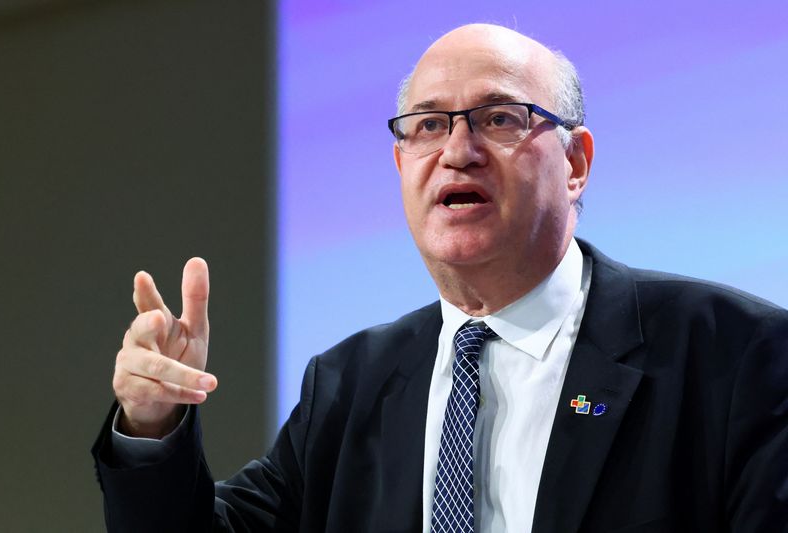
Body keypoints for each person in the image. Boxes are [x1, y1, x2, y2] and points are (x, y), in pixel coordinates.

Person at [92, 23, 788, 532]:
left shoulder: (737, 354)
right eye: (427, 125)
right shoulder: (350, 383)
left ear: (576, 163)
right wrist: (152, 425)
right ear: (401, 168)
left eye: (498, 118)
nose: (458, 150)